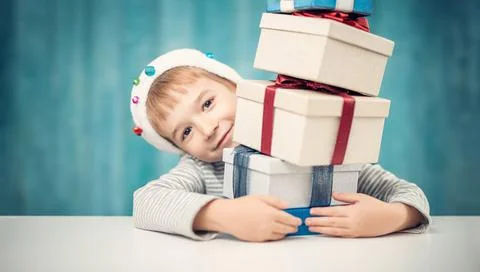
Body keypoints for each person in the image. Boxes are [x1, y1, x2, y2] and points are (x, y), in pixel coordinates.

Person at [130, 49, 430, 242]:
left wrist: (393, 217)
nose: (207, 129)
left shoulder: (310, 139)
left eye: (208, 103)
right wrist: (222, 214)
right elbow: (146, 202)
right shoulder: (203, 170)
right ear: (181, 149)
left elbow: (409, 194)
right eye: (185, 132)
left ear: (240, 88)